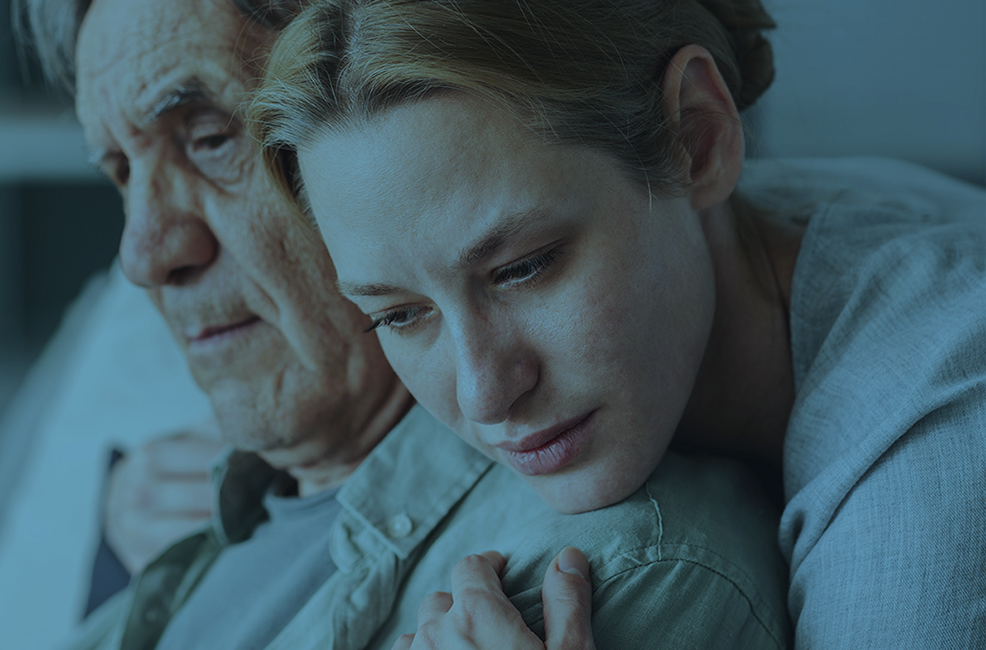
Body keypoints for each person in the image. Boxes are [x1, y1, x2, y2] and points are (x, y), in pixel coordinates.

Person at [22, 0, 793, 647]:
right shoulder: (193, 502)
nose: (142, 254)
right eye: (121, 171)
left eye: (212, 138)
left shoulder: (598, 573)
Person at [248, 0, 986, 646]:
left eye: (524, 267)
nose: (484, 395)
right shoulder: (706, 221)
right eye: (400, 314)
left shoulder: (935, 462)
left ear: (697, 138)